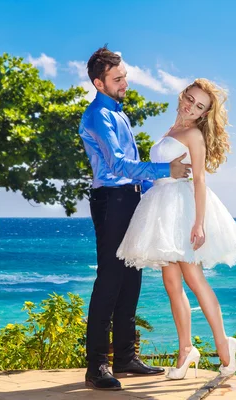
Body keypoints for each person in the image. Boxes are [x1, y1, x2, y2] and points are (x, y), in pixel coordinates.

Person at [117, 78, 236, 380]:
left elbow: (200, 180)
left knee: (193, 277)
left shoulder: (193, 134)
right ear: (183, 95)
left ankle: (223, 345)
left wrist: (199, 223)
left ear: (204, 114)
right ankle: (185, 349)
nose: (191, 106)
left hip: (181, 208)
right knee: (171, 282)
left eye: (199, 106)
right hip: (161, 207)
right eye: (190, 99)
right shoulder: (171, 130)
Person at [78, 45, 192, 391]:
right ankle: (96, 365)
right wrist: (165, 169)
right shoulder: (98, 115)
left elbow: (133, 170)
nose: (125, 82)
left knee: (131, 278)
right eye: (117, 78)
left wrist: (162, 186)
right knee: (110, 280)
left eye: (125, 75)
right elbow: (117, 167)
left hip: (130, 199)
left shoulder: (119, 113)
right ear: (99, 83)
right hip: (111, 201)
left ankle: (125, 357)